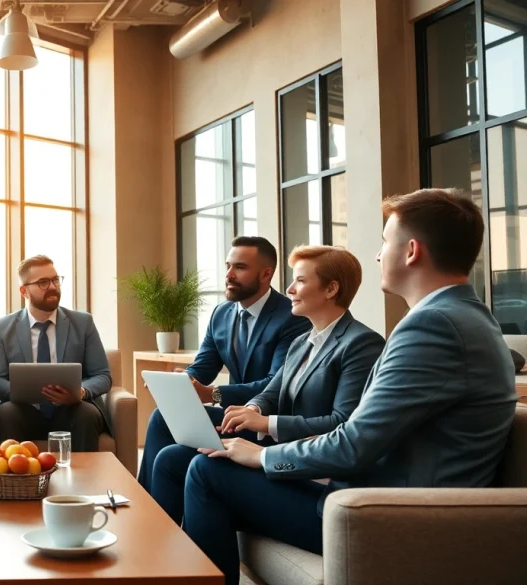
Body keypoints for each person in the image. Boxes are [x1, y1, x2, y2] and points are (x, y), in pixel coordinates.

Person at [183, 189, 518, 585]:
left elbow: (354, 442)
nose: (378, 255)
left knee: (207, 471)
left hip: (390, 516)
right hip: (380, 497)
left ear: (411, 251)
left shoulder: (433, 325)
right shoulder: (463, 316)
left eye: (384, 242)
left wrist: (261, 458)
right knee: (203, 462)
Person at [147, 245, 384, 525]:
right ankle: (156, 540)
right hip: (281, 440)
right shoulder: (303, 341)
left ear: (331, 289)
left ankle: (202, 565)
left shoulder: (360, 343)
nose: (290, 289)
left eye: (300, 280)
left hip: (308, 461)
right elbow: (273, 391)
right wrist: (252, 409)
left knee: (202, 464)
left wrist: (266, 423)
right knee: (171, 459)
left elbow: (341, 422)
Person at [138, 236, 309, 492]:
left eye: (240, 267)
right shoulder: (221, 313)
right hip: (230, 418)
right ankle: (146, 502)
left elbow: (276, 384)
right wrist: (183, 382)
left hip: (266, 424)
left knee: (168, 439)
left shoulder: (292, 317)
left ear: (265, 274)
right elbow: (204, 366)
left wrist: (213, 393)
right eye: (228, 265)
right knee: (163, 417)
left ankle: (151, 505)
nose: (228, 274)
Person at [0, 255, 112, 451]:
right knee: (6, 413)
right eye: (43, 282)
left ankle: (86, 480)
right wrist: (22, 393)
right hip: (24, 410)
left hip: (71, 410)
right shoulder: (3, 327)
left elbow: (103, 375)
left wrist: (81, 392)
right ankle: (10, 482)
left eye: (55, 280)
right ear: (23, 291)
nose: (53, 287)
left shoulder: (83, 323)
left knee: (86, 414)